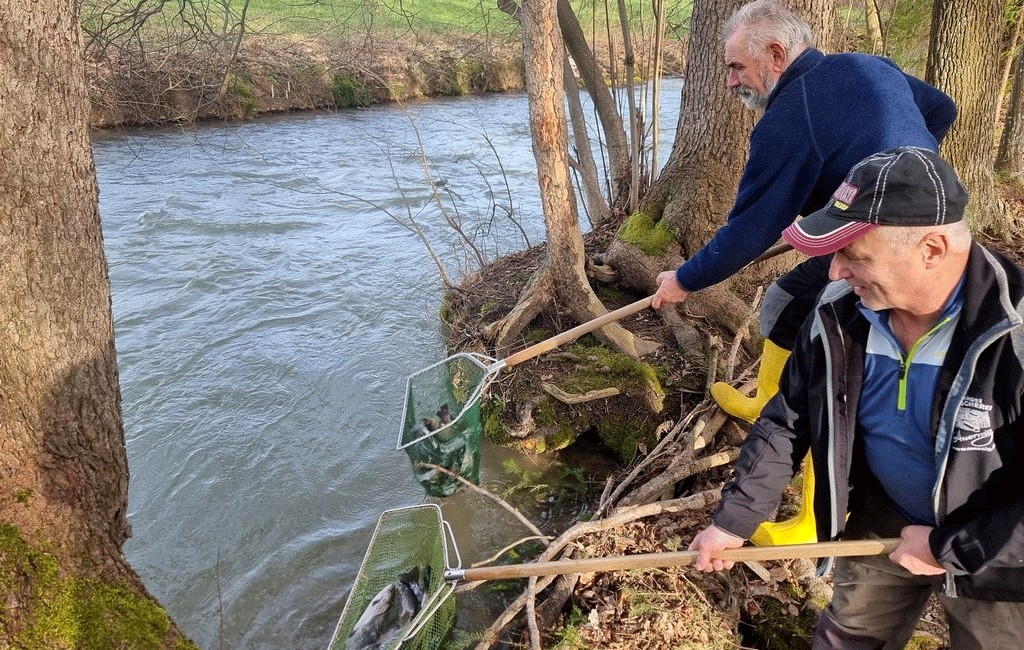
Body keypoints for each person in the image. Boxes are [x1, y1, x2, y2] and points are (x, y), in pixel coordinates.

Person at [688, 147, 1024, 649]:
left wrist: (951, 547)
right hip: (882, 517)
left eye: (854, 255)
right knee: (847, 639)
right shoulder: (838, 315)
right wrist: (736, 518)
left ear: (932, 249)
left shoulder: (1014, 330)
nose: (835, 272)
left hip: (998, 548)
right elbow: (788, 419)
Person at [651, 0, 956, 425]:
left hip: (885, 245)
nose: (730, 81)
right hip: (946, 218)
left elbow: (749, 232)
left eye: (737, 66)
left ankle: (777, 410)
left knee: (787, 305)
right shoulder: (869, 65)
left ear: (776, 56)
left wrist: (683, 280)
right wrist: (902, 170)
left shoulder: (786, 121)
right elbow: (943, 109)